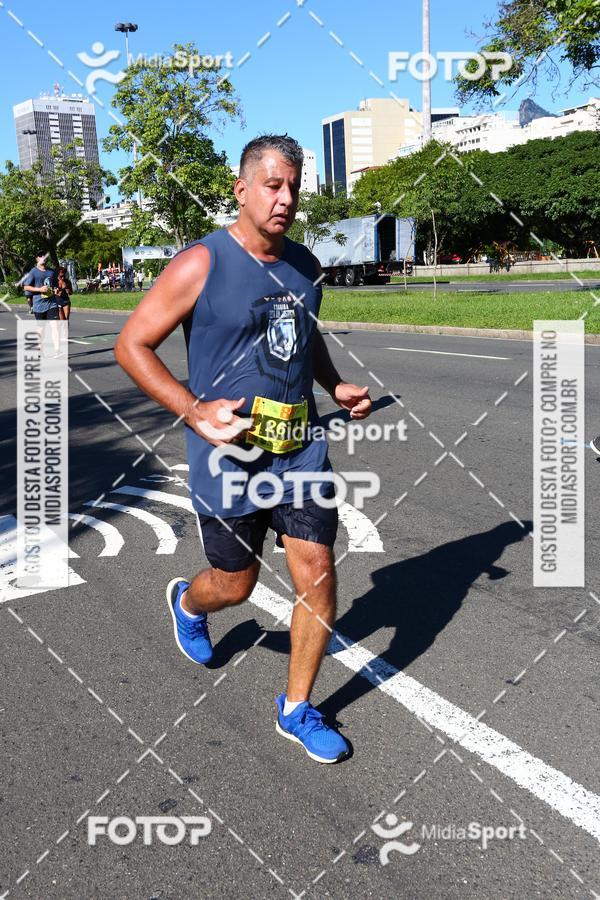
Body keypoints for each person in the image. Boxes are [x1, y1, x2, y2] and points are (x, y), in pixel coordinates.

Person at [115, 134, 372, 764]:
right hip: (227, 458)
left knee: (317, 566)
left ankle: (297, 709)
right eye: (272, 185)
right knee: (236, 583)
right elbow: (132, 345)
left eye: (293, 187)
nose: (285, 199)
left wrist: (332, 383)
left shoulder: (306, 266)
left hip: (299, 450)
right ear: (243, 189)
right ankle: (187, 601)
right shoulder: (200, 263)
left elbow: (301, 340)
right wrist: (193, 410)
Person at [23, 252, 58, 320]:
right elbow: (26, 287)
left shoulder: (51, 271)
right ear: (37, 259)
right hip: (39, 305)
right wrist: (40, 289)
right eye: (40, 256)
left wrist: (56, 289)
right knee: (41, 329)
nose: (43, 257)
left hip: (52, 303)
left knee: (55, 326)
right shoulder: (33, 271)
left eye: (44, 255)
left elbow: (55, 285)